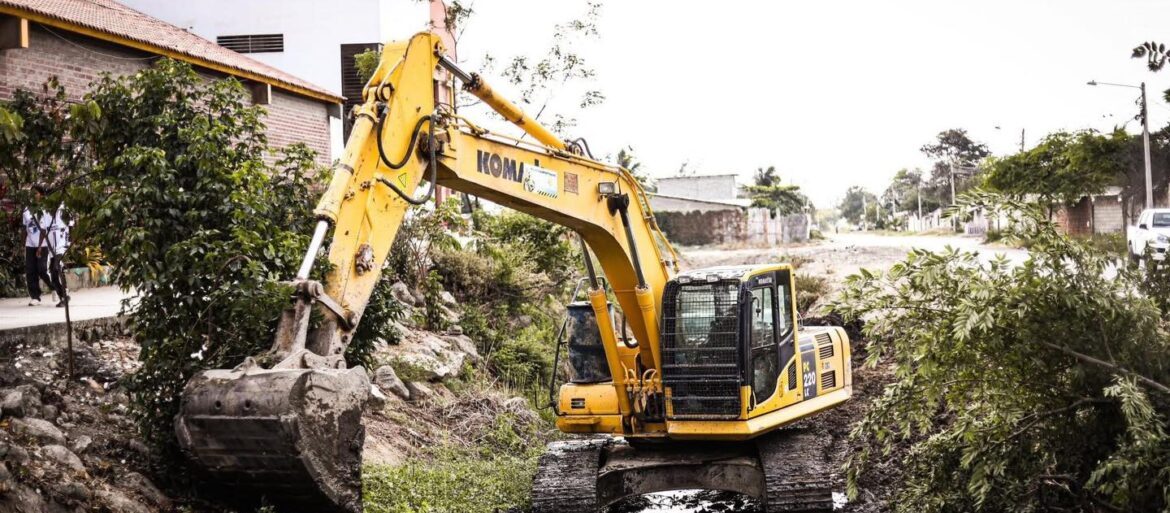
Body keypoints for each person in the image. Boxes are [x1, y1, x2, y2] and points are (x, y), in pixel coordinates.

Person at [22, 186, 56, 306]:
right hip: (30, 244)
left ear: (41, 195)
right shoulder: (26, 209)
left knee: (41, 269)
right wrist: (23, 244)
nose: (33, 195)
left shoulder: (45, 209)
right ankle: (35, 296)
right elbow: (25, 228)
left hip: (43, 244)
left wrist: (40, 247)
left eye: (35, 193)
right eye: (31, 193)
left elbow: (44, 229)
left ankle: (54, 287)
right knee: (30, 271)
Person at [46, 202, 69, 307]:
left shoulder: (63, 212)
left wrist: (69, 241)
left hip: (61, 246)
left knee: (56, 268)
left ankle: (65, 295)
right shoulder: (44, 213)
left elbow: (71, 225)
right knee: (53, 275)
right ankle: (63, 295)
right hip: (51, 249)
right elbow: (43, 230)